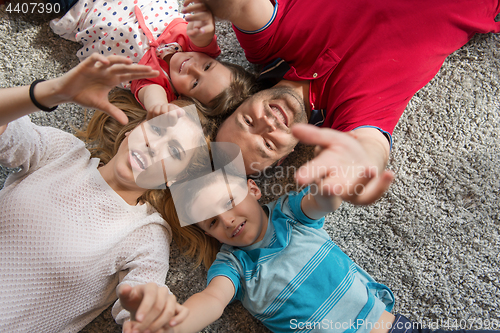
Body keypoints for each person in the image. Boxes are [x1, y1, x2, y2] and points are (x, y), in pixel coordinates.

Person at [182, 0, 500, 205]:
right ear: (284, 157)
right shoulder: (347, 114)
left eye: (247, 122)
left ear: (240, 103)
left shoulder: (269, 47)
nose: (268, 123)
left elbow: (242, 5)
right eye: (267, 144)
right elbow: (368, 145)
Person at [117, 169, 500, 333]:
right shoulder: (232, 264)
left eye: (228, 201)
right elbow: (212, 302)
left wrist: (340, 182)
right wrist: (177, 322)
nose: (228, 221)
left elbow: (320, 200)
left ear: (252, 189)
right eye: (212, 223)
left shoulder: (289, 215)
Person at [0, 54, 202, 332]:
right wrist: (53, 91)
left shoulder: (146, 232)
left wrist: (150, 310)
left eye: (175, 151)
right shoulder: (61, 151)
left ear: (173, 180)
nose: (155, 147)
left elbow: (144, 301)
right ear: (134, 129)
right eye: (157, 129)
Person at [50, 0, 257, 117]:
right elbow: (203, 36)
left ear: (183, 99)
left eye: (194, 83)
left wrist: (158, 108)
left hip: (81, 10)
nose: (192, 67)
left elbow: (153, 96)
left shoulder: (156, 80)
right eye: (207, 66)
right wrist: (204, 23)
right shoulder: (193, 43)